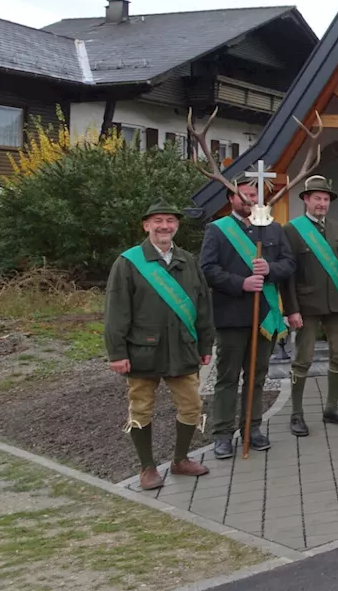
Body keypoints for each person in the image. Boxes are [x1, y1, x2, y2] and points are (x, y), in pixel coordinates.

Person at [105, 199, 215, 490]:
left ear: (177, 225)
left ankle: (180, 459)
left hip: (182, 348)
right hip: (143, 350)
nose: (164, 226)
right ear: (146, 225)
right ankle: (147, 468)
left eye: (170, 221)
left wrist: (206, 345)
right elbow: (117, 311)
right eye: (158, 221)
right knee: (140, 409)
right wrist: (117, 352)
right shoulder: (128, 262)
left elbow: (203, 307)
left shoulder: (188, 261)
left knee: (192, 406)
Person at [200, 175, 295, 460]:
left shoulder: (274, 230)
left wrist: (269, 269)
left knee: (256, 377)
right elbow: (207, 268)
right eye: (243, 195)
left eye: (253, 195)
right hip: (231, 315)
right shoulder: (217, 230)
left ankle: (252, 428)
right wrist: (240, 283)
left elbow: (289, 264)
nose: (249, 200)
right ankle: (222, 435)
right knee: (227, 378)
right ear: (231, 198)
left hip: (264, 317)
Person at [282, 176, 338, 436]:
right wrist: (291, 309)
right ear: (306, 199)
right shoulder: (292, 230)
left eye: (326, 199)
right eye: (317, 198)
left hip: (337, 305)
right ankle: (296, 413)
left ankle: (331, 408)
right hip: (306, 306)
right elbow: (288, 274)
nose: (322, 203)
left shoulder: (337, 227)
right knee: (302, 360)